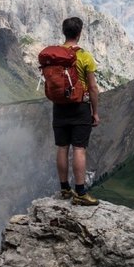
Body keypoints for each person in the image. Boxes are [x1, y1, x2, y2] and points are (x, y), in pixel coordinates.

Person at [53, 17, 100, 206]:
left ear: (64, 32)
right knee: (79, 149)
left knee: (62, 147)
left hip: (59, 107)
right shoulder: (85, 56)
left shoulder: (54, 55)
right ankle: (80, 192)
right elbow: (93, 87)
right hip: (80, 107)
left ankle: (64, 188)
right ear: (79, 33)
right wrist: (94, 113)